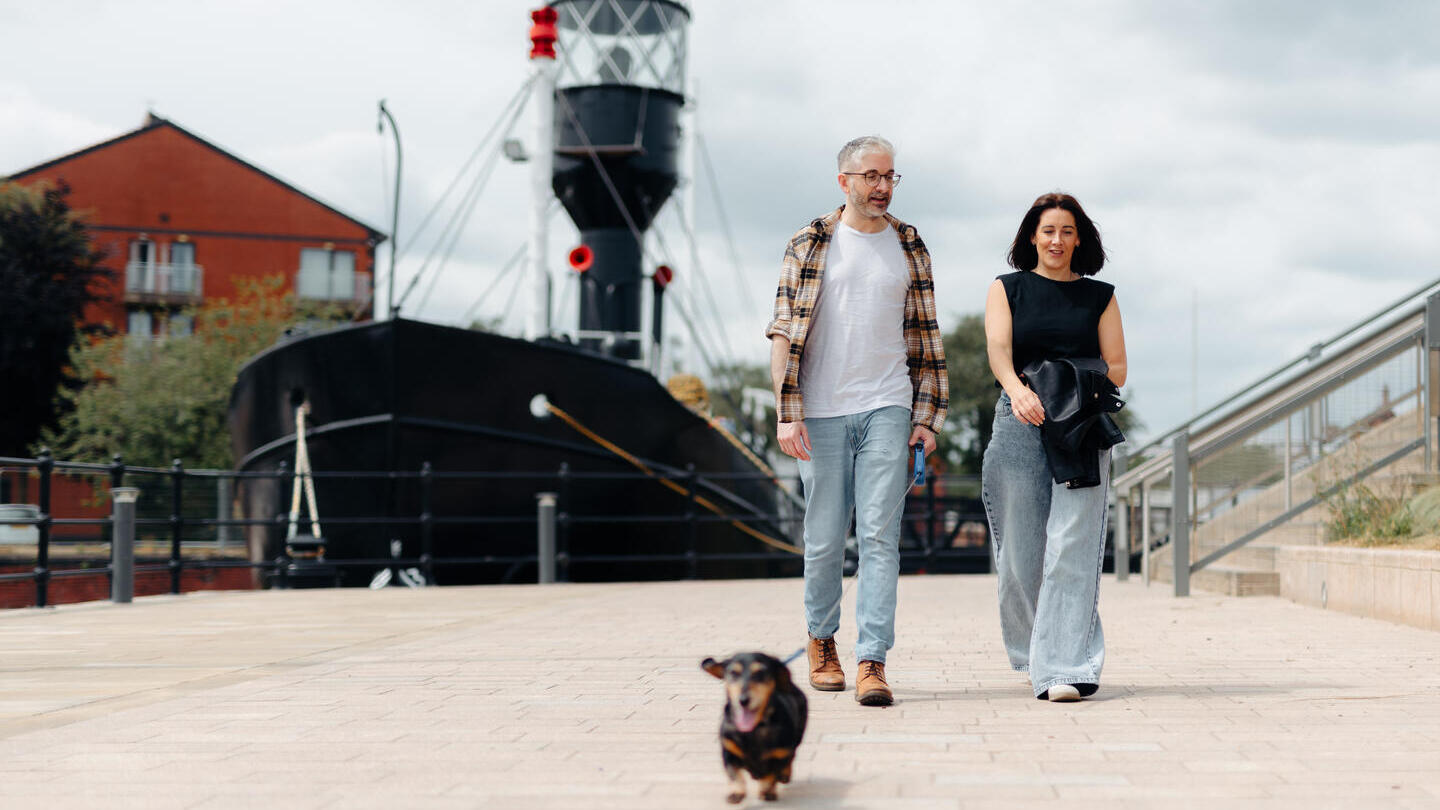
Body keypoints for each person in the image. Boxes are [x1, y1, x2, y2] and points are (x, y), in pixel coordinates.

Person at [765, 135, 947, 707]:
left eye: (891, 176)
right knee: (823, 540)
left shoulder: (910, 244)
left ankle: (873, 660)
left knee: (878, 538)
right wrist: (785, 412)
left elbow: (925, 335)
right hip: (818, 410)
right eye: (871, 176)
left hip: (888, 404)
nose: (883, 186)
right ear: (844, 181)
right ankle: (822, 642)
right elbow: (782, 332)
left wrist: (928, 415)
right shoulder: (809, 240)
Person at [981, 192, 1128, 702]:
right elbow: (999, 351)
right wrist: (1021, 390)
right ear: (1031, 237)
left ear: (1079, 238)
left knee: (1073, 546)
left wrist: (1068, 385)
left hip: (1081, 425)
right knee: (1021, 551)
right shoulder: (1008, 289)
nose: (1057, 240)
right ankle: (1032, 651)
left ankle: (1066, 666)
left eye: (1067, 231)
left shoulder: (1100, 296)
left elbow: (1118, 367)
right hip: (1020, 419)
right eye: (1048, 230)